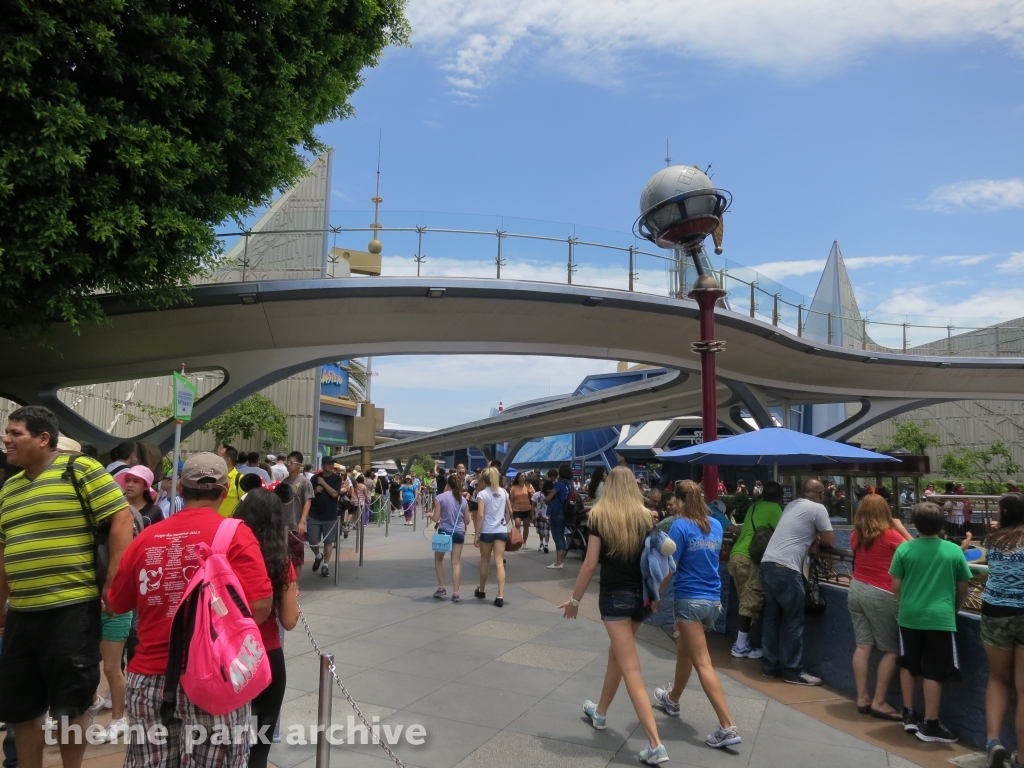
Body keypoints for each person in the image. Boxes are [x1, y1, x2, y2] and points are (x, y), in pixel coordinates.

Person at [108, 452, 273, 767]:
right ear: (225, 491)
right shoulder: (235, 534)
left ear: (181, 489)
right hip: (217, 676)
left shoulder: (146, 538)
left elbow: (117, 603)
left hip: (149, 678)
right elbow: (260, 606)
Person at [0, 406, 134, 768]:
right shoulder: (9, 488)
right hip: (22, 613)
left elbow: (121, 517)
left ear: (43, 439)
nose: (6, 439)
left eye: (15, 433)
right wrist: (1, 605)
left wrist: (113, 581)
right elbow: (3, 548)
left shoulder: (80, 469)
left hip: (71, 611)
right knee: (21, 707)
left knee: (70, 704)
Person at [559, 466, 669, 765]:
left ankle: (655, 744)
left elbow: (589, 565)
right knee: (617, 656)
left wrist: (574, 601)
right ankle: (600, 712)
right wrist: (656, 594)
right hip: (641, 599)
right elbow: (664, 560)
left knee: (630, 666)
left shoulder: (599, 516)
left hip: (615, 598)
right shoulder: (646, 517)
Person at [654, 477, 741, 749]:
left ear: (680, 501)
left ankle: (727, 726)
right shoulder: (715, 525)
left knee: (702, 662)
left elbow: (671, 566)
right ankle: (672, 699)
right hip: (712, 601)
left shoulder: (680, 526)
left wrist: (655, 594)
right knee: (685, 651)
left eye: (675, 500)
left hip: (689, 599)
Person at [890, 501, 972, 743]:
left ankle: (909, 713)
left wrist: (909, 604)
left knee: (909, 663)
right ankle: (931, 724)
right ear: (941, 523)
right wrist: (953, 610)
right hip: (940, 618)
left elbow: (896, 586)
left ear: (915, 524)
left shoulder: (904, 550)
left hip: (909, 616)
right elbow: (963, 588)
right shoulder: (953, 551)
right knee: (934, 671)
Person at [233, 488, 298, 768]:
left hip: (227, 653)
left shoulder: (226, 554)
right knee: (260, 743)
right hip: (266, 655)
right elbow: (289, 621)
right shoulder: (281, 561)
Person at [759, 478, 834, 685]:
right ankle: (792, 671)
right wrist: (817, 540)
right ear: (821, 494)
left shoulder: (792, 504)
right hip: (786, 569)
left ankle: (770, 666)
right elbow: (829, 541)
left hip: (768, 564)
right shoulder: (818, 509)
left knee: (772, 619)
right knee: (792, 622)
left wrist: (813, 539)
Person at [847, 494, 913, 721]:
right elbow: (915, 552)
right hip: (881, 593)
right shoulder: (890, 535)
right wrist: (901, 528)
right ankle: (879, 701)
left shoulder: (855, 535)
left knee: (863, 645)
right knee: (891, 649)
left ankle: (862, 697)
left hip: (856, 588)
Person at [980, 493, 1024, 768]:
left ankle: (993, 742)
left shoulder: (992, 540)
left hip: (996, 612)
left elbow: (987, 567)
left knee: (998, 678)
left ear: (1005, 512)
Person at [727, 481, 785, 659]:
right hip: (749, 558)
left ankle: (742, 643)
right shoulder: (775, 508)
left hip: (736, 555)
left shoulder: (754, 506)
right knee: (750, 602)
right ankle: (740, 646)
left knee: (745, 600)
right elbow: (783, 532)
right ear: (779, 497)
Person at [430, 474, 471, 602]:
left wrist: (430, 515)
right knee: (456, 562)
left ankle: (442, 587)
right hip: (459, 532)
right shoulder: (463, 500)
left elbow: (436, 518)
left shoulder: (440, 497)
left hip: (444, 532)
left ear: (447, 484)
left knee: (438, 560)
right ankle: (456, 593)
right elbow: (467, 521)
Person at [474, 467, 511, 607]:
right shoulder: (504, 492)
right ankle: (500, 595)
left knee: (485, 561)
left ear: (484, 480)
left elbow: (480, 515)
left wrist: (477, 534)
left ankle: (482, 590)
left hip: (487, 530)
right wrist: (503, 523)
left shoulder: (482, 494)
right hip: (501, 530)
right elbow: (509, 512)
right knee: (499, 562)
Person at [308, 456, 341, 578]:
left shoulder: (336, 478)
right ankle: (318, 555)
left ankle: (325, 565)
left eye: (332, 464)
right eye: (328, 464)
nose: (331, 466)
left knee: (328, 541)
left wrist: (323, 483)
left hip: (330, 514)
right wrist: (315, 491)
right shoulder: (314, 478)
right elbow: (309, 495)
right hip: (314, 514)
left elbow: (334, 494)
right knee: (312, 540)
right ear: (322, 465)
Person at [282, 451, 315, 569]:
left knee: (297, 558)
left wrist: (302, 522)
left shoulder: (305, 482)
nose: (288, 464)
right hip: (284, 525)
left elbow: (308, 502)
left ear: (299, 465)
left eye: (291, 462)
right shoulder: (284, 481)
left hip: (296, 525)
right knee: (283, 557)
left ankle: (296, 581)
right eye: (287, 462)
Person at [546, 463, 572, 570]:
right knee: (562, 536)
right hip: (565, 512)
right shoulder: (569, 484)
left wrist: (545, 499)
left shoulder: (559, 484)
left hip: (557, 512)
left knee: (557, 537)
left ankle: (558, 562)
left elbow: (548, 498)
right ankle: (561, 560)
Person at [509, 472, 533, 548]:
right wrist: (510, 509)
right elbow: (512, 499)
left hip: (527, 508)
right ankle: (518, 541)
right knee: (517, 524)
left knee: (526, 526)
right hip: (517, 509)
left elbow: (534, 496)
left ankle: (524, 542)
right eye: (521, 476)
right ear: (518, 478)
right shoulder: (514, 487)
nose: (523, 477)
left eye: (524, 476)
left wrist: (531, 492)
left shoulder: (528, 486)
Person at [220, 445, 242, 518]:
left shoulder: (240, 480)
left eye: (218, 456)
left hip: (228, 523)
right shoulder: (214, 477)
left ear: (227, 460)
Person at [532, 478, 550, 553]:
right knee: (540, 531)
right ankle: (541, 542)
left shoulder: (549, 494)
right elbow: (533, 505)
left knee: (546, 530)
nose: (542, 486)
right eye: (540, 485)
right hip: (539, 515)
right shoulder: (536, 494)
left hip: (547, 515)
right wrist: (533, 515)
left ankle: (546, 545)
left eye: (543, 484)